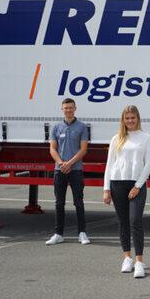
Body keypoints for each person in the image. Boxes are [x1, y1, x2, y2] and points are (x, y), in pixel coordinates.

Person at [103, 105, 150, 278]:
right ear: (123, 120)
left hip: (136, 184)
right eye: (127, 118)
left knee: (135, 220)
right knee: (123, 222)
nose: (130, 121)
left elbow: (148, 164)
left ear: (137, 118)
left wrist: (137, 186)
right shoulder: (116, 138)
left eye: (133, 117)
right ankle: (127, 258)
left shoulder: (146, 138)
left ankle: (139, 262)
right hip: (117, 183)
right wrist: (106, 189)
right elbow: (110, 165)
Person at [46, 98, 90, 246]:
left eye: (71, 108)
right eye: (66, 108)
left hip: (75, 170)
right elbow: (52, 149)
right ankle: (58, 234)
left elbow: (83, 149)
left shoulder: (82, 127)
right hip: (59, 170)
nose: (68, 110)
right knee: (59, 203)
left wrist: (69, 163)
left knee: (79, 202)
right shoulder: (56, 127)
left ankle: (82, 233)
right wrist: (61, 163)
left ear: (75, 108)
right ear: (62, 109)